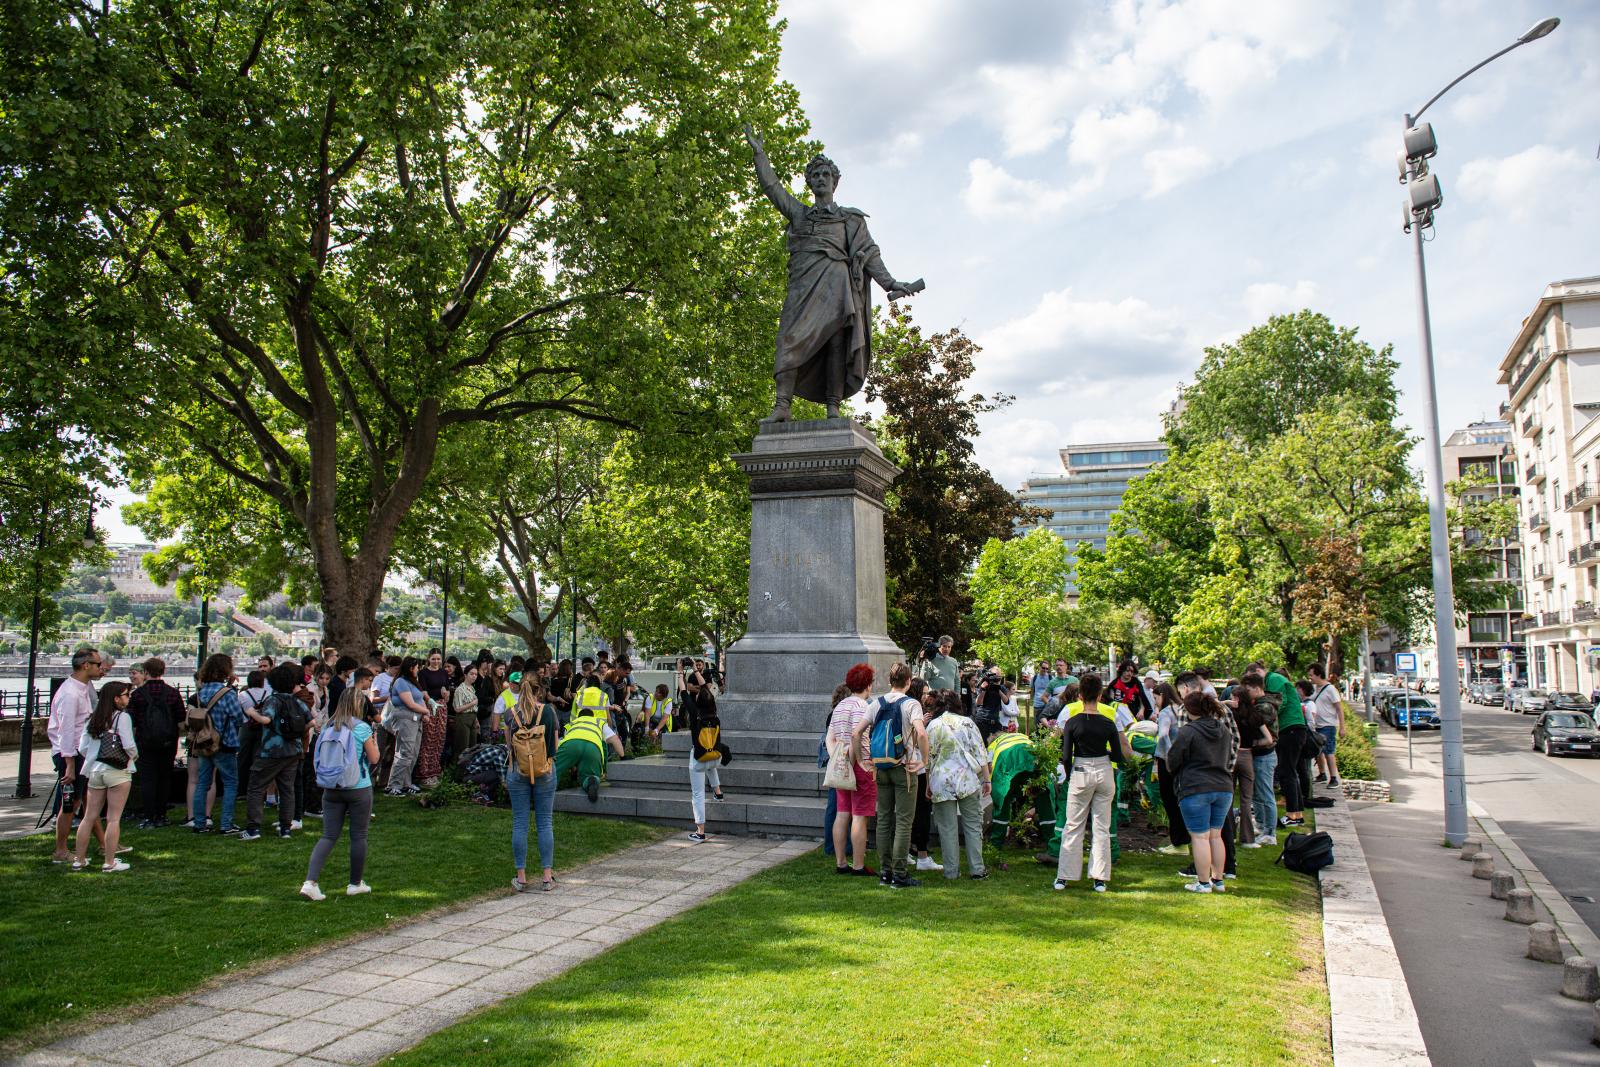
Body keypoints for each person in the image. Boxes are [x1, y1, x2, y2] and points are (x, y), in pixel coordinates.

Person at [1053, 674, 1133, 893]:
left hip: (1080, 769)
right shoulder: (1108, 721)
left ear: (1079, 696)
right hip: (1104, 770)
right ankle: (1099, 877)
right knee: (1101, 825)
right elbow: (1118, 754)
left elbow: (1066, 754)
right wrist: (1105, 753)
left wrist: (1070, 775)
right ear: (1100, 695)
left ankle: (1064, 875)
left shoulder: (1072, 721)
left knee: (1073, 824)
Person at [301, 689, 380, 900]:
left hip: (331, 786)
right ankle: (355, 883)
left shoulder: (329, 726)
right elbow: (373, 759)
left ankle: (310, 881)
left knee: (328, 835)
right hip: (358, 786)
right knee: (358, 835)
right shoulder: (361, 728)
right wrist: (375, 742)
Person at [853, 662, 926, 888]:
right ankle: (900, 874)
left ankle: (885, 872)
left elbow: (856, 733)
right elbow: (921, 733)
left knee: (883, 820)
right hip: (904, 767)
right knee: (904, 821)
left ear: (889, 682)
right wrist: (924, 760)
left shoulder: (876, 703)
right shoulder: (912, 704)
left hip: (880, 768)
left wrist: (862, 761)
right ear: (908, 682)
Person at [1168, 689, 1237, 894]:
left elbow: (1174, 758)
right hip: (1223, 786)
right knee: (1216, 836)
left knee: (1199, 837)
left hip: (1196, 786)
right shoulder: (1223, 729)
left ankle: (1203, 882)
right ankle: (1218, 880)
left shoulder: (1188, 731)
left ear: (1189, 710)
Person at [72, 681, 138, 873]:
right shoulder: (122, 718)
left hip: (95, 770)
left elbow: (83, 747)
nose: (128, 697)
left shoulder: (92, 719)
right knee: (113, 818)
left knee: (89, 817)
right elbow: (128, 745)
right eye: (126, 695)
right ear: (116, 698)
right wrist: (133, 756)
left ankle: (79, 859)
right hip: (117, 770)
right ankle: (109, 861)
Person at [49, 647, 107, 862]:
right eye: (98, 664)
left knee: (86, 799)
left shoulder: (81, 688)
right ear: (86, 666)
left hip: (78, 752)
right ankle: (60, 850)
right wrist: (70, 765)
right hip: (70, 754)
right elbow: (65, 731)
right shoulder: (70, 693)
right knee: (70, 802)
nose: (100, 668)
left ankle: (104, 844)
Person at [926, 688, 990, 880]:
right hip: (967, 779)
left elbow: (928, 758)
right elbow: (981, 753)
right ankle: (977, 869)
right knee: (972, 825)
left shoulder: (933, 726)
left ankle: (951, 871)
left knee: (947, 828)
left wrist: (929, 782)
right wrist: (987, 779)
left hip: (941, 779)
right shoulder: (968, 723)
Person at [243, 662, 310, 840]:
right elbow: (312, 721)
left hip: (272, 750)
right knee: (287, 789)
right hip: (293, 750)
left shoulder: (273, 700)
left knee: (256, 787)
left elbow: (266, 720)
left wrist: (251, 712)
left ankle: (253, 828)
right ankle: (285, 828)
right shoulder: (296, 701)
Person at [505, 677, 560, 892]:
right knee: (545, 822)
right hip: (545, 769)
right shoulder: (548, 711)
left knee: (520, 823)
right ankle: (547, 877)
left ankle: (521, 877)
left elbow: (509, 744)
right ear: (540, 691)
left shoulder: (511, 713)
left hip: (519, 770)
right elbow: (554, 745)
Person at [828, 664, 878, 877]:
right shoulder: (863, 706)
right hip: (860, 764)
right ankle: (858, 865)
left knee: (842, 813)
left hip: (841, 765)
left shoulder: (839, 707)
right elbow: (857, 736)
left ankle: (841, 862)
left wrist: (837, 758)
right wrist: (857, 759)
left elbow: (830, 738)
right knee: (860, 815)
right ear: (867, 684)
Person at [191, 653, 245, 835]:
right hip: (224, 742)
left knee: (202, 783)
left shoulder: (200, 692)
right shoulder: (227, 694)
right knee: (230, 783)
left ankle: (199, 822)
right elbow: (238, 717)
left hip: (204, 742)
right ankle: (226, 823)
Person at [129, 657, 184, 829]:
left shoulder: (137, 695)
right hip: (168, 741)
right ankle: (161, 814)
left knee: (147, 779)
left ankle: (149, 815)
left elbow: (131, 720)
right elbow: (181, 719)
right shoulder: (173, 693)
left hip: (145, 741)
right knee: (164, 777)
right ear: (163, 671)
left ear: (145, 672)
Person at [685, 670, 727, 843]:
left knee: (698, 794)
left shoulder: (696, 717)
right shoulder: (715, 715)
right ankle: (718, 792)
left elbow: (683, 693)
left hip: (698, 759)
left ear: (697, 702)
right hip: (713, 756)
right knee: (710, 765)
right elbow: (706, 691)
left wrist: (681, 673)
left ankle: (700, 831)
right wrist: (695, 669)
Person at [905, 677, 940, 873]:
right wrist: (924, 724)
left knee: (908, 813)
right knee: (921, 811)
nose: (927, 696)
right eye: (925, 692)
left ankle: (907, 850)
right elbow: (919, 739)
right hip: (917, 766)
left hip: (905, 765)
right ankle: (922, 855)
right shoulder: (915, 709)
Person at [383, 656, 431, 796]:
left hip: (416, 719)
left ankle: (405, 783)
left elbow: (419, 699)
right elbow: (409, 703)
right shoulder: (401, 682)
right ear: (411, 668)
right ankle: (393, 785)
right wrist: (426, 711)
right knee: (405, 752)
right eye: (416, 667)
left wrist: (424, 713)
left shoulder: (413, 682)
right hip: (405, 719)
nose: (418, 670)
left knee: (413, 753)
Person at [1152, 681, 1189, 856]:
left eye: (1156, 698)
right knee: (1181, 801)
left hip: (1167, 762)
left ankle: (1179, 842)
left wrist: (1167, 755)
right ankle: (1184, 838)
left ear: (1162, 696)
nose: (1155, 702)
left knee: (1170, 800)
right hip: (1183, 761)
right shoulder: (1182, 709)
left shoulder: (1166, 713)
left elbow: (1163, 735)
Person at [1308, 664, 1345, 787]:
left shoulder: (1330, 689)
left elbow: (1339, 709)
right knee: (1318, 751)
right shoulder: (1314, 688)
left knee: (1329, 750)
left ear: (1318, 675)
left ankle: (1333, 778)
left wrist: (1342, 727)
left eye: (1311, 675)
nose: (1310, 678)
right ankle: (1322, 773)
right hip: (1316, 725)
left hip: (1328, 725)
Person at [449, 662, 481, 764]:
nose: (474, 676)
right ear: (465, 674)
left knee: (472, 745)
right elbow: (457, 709)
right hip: (463, 718)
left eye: (476, 674)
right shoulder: (460, 689)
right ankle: (458, 771)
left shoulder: (472, 688)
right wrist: (472, 703)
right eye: (471, 674)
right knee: (462, 746)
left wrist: (476, 720)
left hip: (472, 717)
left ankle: (469, 770)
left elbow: (474, 708)